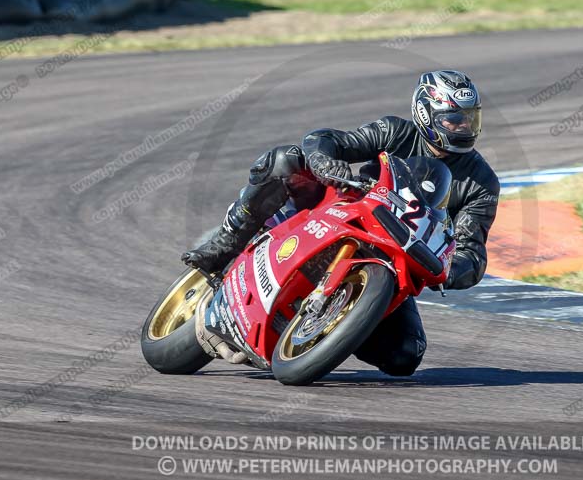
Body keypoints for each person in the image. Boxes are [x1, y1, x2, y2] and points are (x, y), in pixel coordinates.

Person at [182, 70, 500, 376]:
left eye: (470, 119)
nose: (463, 128)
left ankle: (323, 334)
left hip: (395, 256)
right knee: (285, 161)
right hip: (344, 211)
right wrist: (324, 162)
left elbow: (471, 251)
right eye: (454, 119)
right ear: (425, 112)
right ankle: (225, 244)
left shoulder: (482, 182)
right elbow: (327, 139)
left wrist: (446, 268)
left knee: (405, 355)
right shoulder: (395, 132)